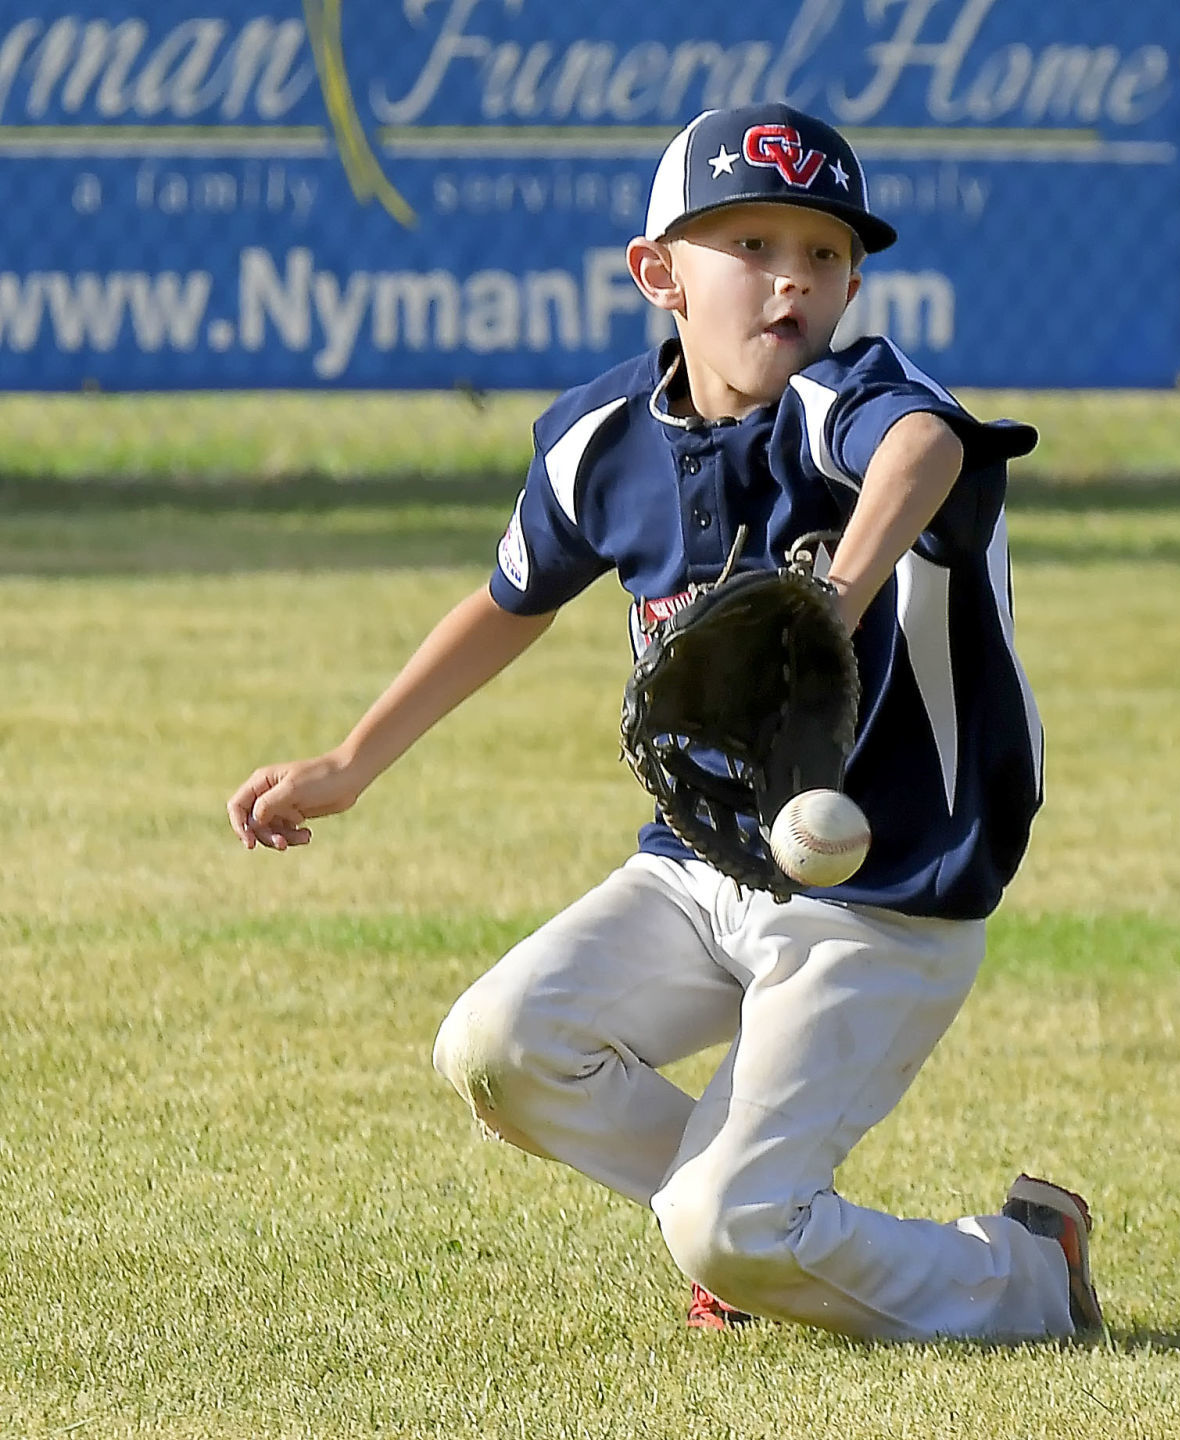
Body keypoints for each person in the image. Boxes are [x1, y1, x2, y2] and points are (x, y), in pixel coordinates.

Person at [226, 103, 1103, 1342]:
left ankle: (1024, 1275)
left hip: (889, 889)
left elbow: (924, 451)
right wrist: (350, 762)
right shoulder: (604, 443)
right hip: (701, 869)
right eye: (750, 243)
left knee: (727, 1229)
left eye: (824, 254)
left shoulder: (856, 401)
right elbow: (508, 600)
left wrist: (831, 600)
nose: (792, 279)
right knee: (501, 1047)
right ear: (660, 275)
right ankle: (751, 1208)